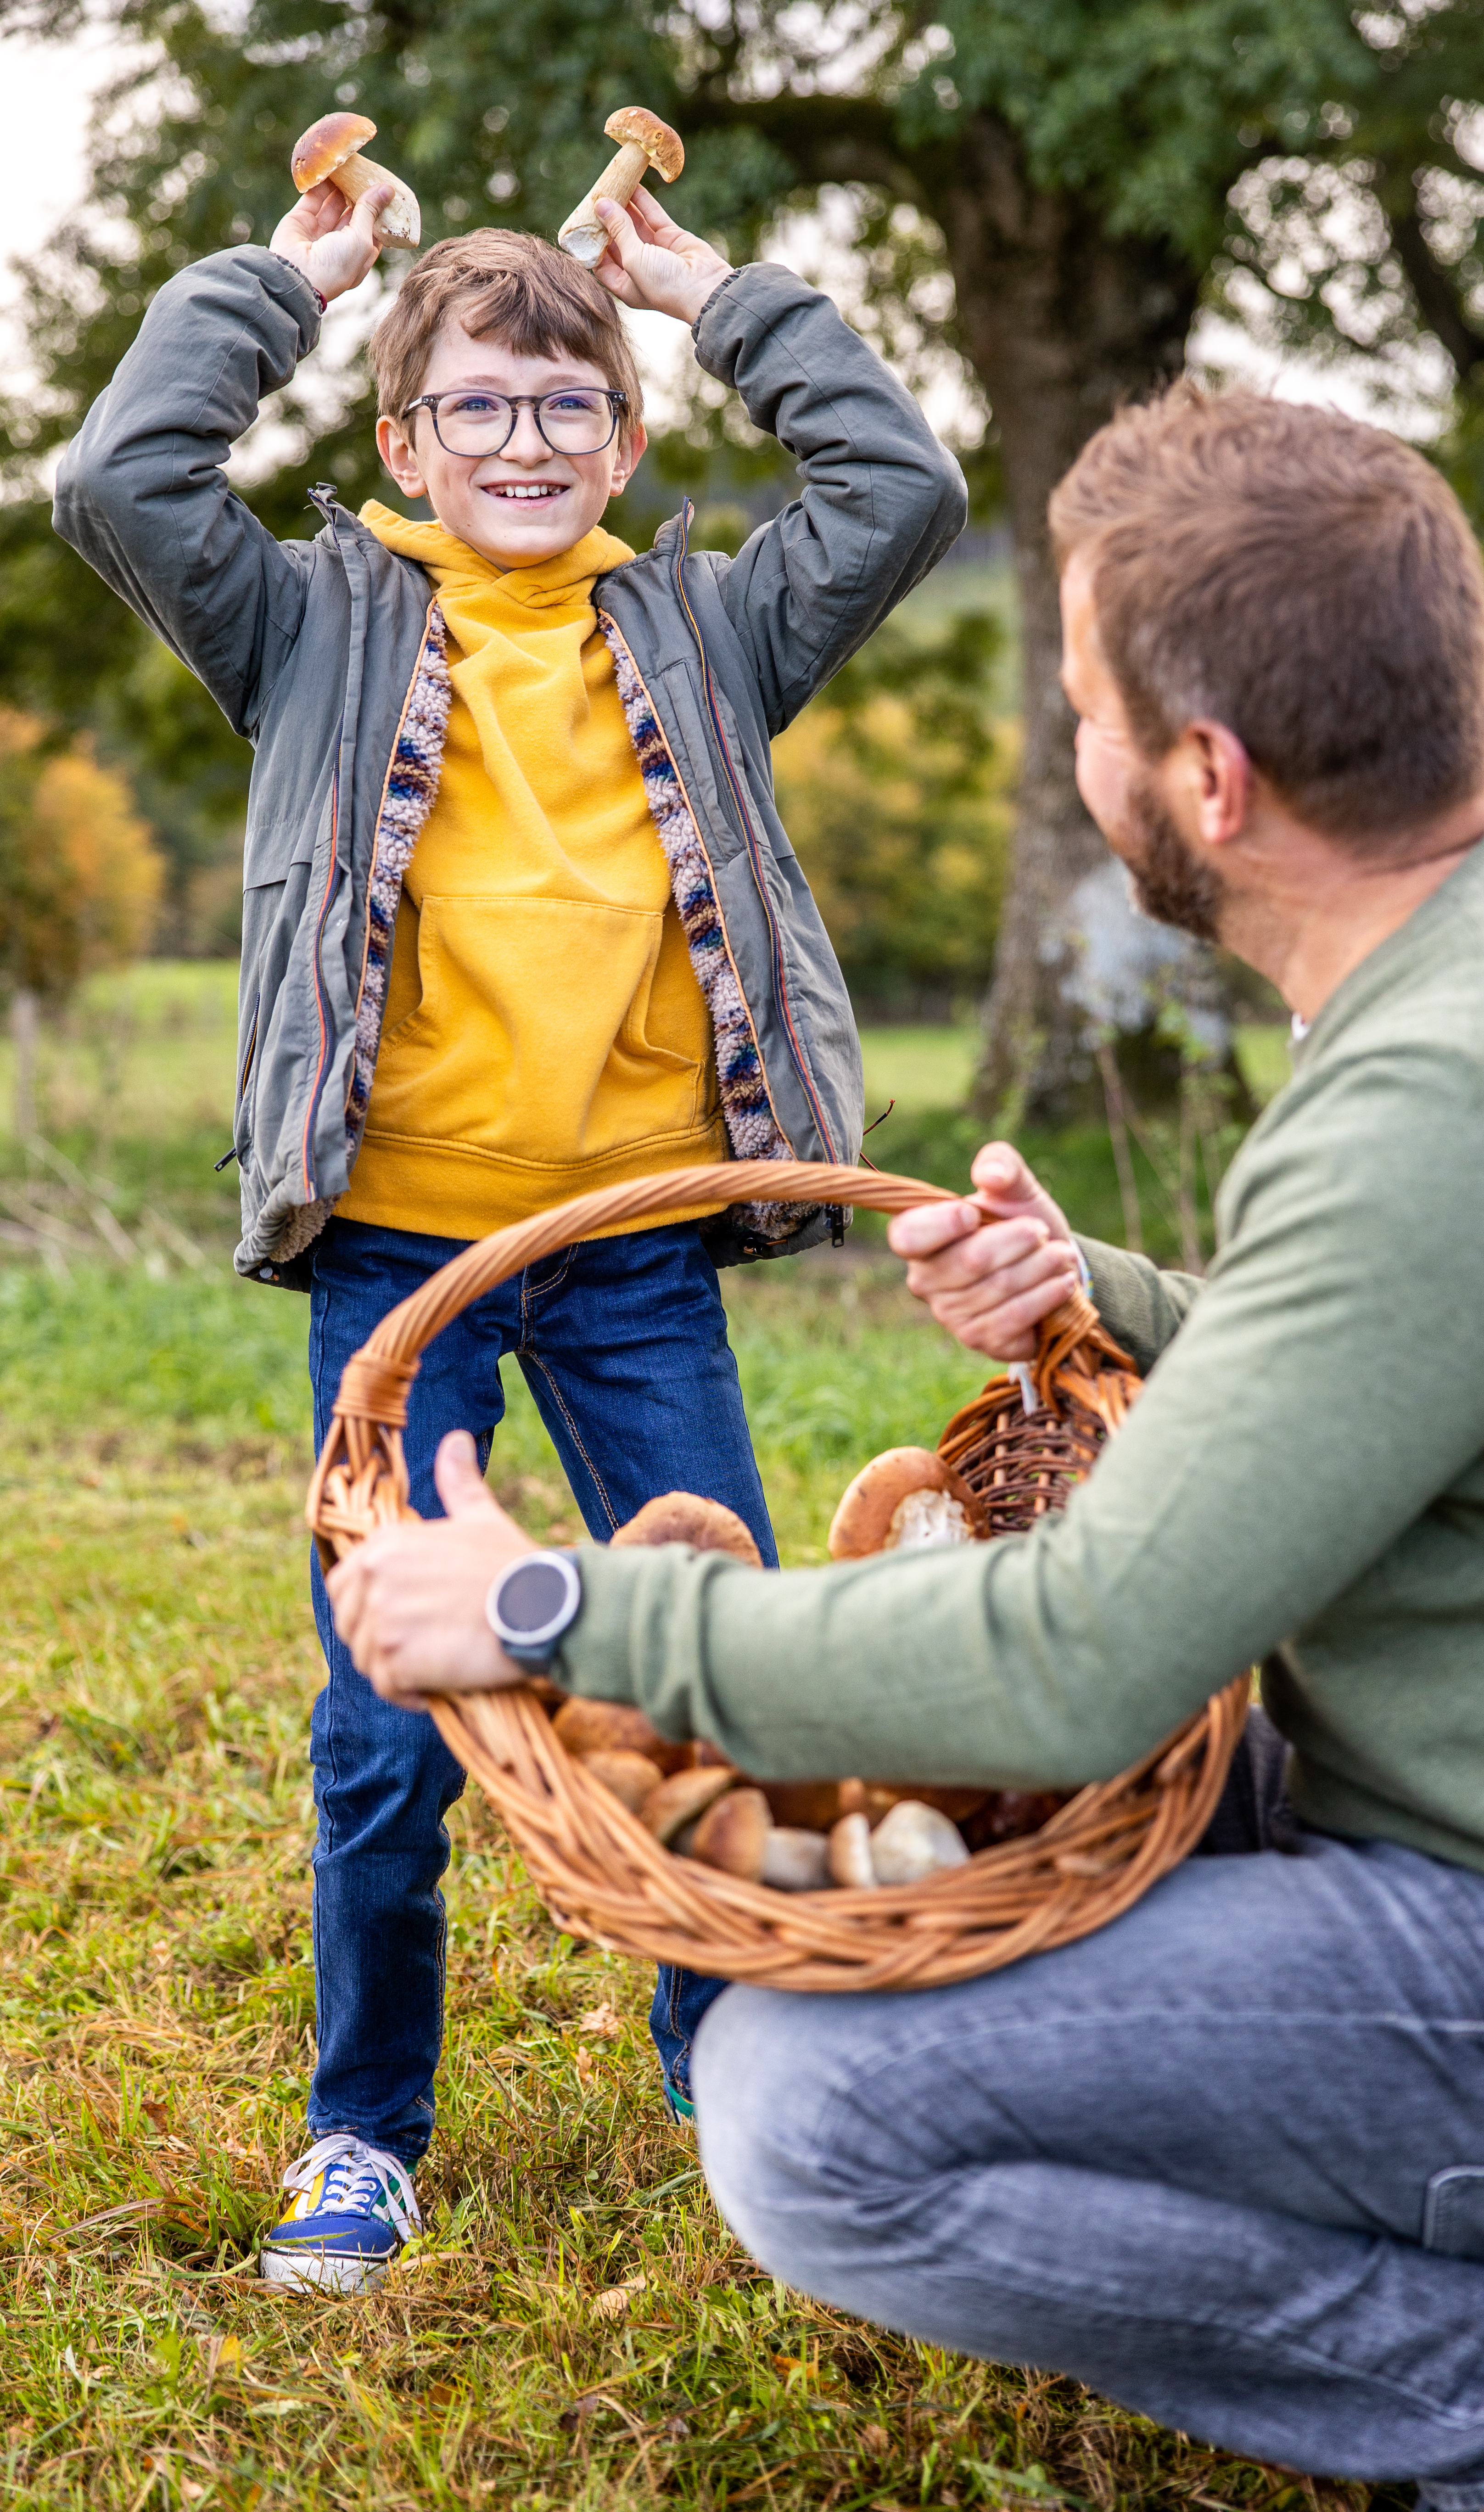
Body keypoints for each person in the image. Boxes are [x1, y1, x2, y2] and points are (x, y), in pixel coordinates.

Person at [322, 381, 1484, 2509]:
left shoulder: (1447, 1101)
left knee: (806, 2118)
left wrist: (548, 1602)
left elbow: (1072, 1661)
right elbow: (1413, 1360)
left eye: (1084, 712)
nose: (1076, 752)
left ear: (1206, 783)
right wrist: (1109, 1303)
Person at [53, 167, 965, 2288]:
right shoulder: (309, 619)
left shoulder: (708, 626)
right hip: (399, 1251)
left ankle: (722, 2056)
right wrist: (290, 283)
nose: (530, 444)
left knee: (726, 1662)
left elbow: (901, 483)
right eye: (480, 409)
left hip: (638, 1245)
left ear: (629, 440)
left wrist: (715, 295)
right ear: (403, 441)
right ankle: (364, 2133)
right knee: (385, 1724)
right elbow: (119, 470)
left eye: (571, 407)